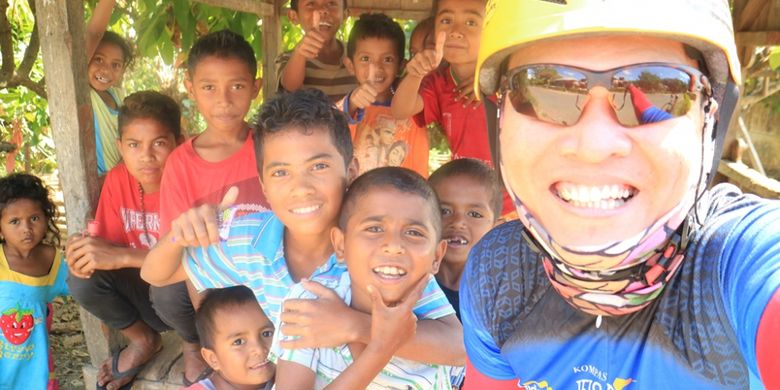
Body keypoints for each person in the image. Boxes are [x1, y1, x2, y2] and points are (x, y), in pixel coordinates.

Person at [459, 1, 780, 389]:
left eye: (660, 88)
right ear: (500, 123)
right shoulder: (497, 271)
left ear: (709, 119)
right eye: (544, 88)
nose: (594, 145)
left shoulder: (740, 261)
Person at [141, 88, 464, 371]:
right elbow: (156, 275)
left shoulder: (376, 246)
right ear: (264, 185)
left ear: (351, 171)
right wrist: (178, 234)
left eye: (319, 166)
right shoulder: (250, 241)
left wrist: (356, 326)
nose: (302, 188)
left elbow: (457, 345)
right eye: (281, 173)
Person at [271, 167, 464, 389]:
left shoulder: (420, 287)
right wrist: (380, 348)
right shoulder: (309, 301)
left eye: (414, 233)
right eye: (374, 228)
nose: (393, 246)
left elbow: (459, 349)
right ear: (341, 245)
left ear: (437, 256)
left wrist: (356, 327)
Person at [153, 29, 269, 386]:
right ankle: (195, 347)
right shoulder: (181, 164)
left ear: (256, 86)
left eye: (236, 86)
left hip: (271, 275)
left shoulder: (271, 145)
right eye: (209, 88)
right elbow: (185, 256)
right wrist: (209, 327)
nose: (223, 100)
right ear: (190, 88)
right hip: (214, 284)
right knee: (163, 292)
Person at [65, 91, 182, 390]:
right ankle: (143, 339)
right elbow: (108, 250)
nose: (146, 156)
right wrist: (85, 251)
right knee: (82, 275)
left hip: (185, 300)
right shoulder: (119, 180)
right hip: (145, 300)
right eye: (133, 145)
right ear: (120, 146)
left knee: (172, 282)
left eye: (158, 143)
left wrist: (124, 257)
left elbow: (195, 261)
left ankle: (198, 347)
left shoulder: (188, 179)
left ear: (178, 143)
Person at [391, 0, 514, 215]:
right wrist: (415, 75)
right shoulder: (439, 84)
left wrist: (489, 80)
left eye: (471, 22)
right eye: (447, 21)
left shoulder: (509, 75)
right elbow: (400, 110)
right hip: (467, 202)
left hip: (513, 203)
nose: (456, 32)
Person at [338, 13, 429, 177]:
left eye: (387, 59)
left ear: (401, 65)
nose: (376, 68)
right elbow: (331, 130)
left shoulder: (415, 102)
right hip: (360, 198)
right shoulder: (348, 106)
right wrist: (351, 104)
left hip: (409, 198)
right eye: (365, 58)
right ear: (350, 65)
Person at [0, 173, 67, 389]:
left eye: (34, 218)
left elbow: (88, 289)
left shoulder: (54, 261)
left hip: (36, 372)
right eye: (14, 221)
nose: (26, 229)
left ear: (46, 218)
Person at [428, 158, 501, 320]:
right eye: (444, 211)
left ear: (496, 229)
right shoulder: (410, 286)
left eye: (474, 214)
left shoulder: (502, 295)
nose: (458, 222)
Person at [187, 286, 275, 390]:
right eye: (239, 342)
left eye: (266, 334)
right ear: (213, 359)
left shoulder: (289, 371)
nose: (259, 349)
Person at [85, 0, 134, 175]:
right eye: (98, 59)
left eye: (116, 65)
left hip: (123, 177)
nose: (106, 70)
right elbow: (93, 33)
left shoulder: (119, 96)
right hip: (97, 182)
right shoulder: (83, 91)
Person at [276, 0, 356, 101]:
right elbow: (289, 88)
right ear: (294, 16)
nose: (322, 10)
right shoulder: (289, 59)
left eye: (331, 3)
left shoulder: (357, 54)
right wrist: (300, 54)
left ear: (345, 15)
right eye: (311, 4)